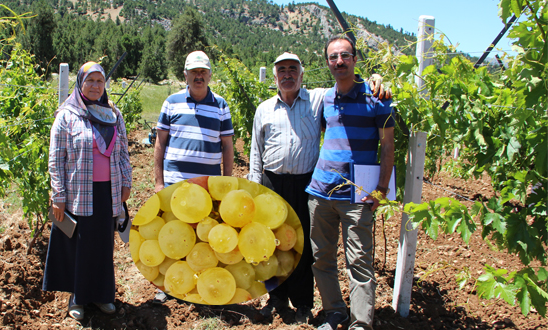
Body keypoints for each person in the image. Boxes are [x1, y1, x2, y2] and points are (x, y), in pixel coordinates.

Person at [249, 52, 389, 324]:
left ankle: (302, 303)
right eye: (282, 70)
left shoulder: (317, 99)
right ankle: (276, 299)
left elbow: (346, 81)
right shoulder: (263, 108)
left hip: (306, 183)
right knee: (270, 245)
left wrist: (374, 79)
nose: (287, 74)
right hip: (271, 183)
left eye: (293, 69)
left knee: (302, 247)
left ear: (302, 75)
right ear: (275, 77)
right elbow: (256, 151)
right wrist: (256, 188)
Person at [306, 36, 395, 330]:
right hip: (320, 192)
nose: (339, 62)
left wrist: (381, 189)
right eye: (333, 57)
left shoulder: (376, 96)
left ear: (355, 60)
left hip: (357, 195)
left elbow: (388, 146)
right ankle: (335, 312)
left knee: (358, 262)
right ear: (328, 63)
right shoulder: (325, 98)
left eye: (345, 56)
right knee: (321, 259)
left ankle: (360, 324)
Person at [43, 62, 133, 321]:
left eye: (99, 82)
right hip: (78, 193)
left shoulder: (113, 114)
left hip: (108, 191)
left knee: (103, 245)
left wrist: (126, 182)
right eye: (89, 81)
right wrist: (58, 196)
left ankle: (103, 295)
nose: (95, 86)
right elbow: (55, 159)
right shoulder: (67, 115)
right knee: (79, 247)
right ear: (80, 83)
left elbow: (124, 153)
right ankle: (78, 298)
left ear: (105, 85)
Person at [152, 50, 234, 303]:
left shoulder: (221, 105)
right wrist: (158, 182)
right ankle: (170, 285)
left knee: (204, 234)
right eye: (194, 72)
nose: (199, 76)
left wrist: (228, 183)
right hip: (176, 182)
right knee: (175, 234)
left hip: (207, 185)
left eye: (203, 72)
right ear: (185, 74)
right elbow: (159, 143)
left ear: (209, 74)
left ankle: (203, 283)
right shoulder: (171, 102)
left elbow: (228, 146)